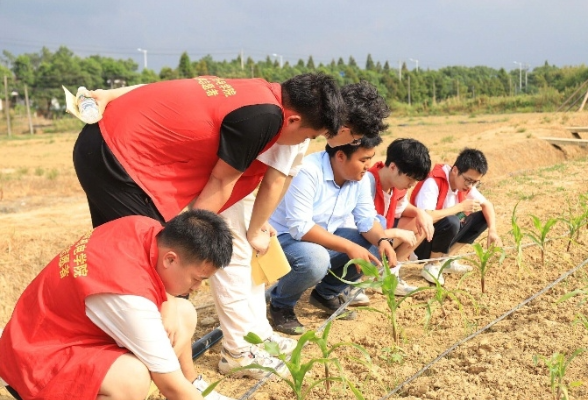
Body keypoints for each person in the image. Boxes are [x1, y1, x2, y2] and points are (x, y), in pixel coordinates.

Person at [210, 82, 390, 377]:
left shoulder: (309, 133)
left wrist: (259, 222)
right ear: (342, 124)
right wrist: (257, 227)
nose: (354, 141)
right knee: (235, 264)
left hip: (241, 192)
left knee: (248, 267)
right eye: (354, 135)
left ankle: (260, 335)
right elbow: (274, 180)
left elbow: (282, 179)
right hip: (229, 190)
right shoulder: (297, 129)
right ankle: (238, 351)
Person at [73, 73, 345, 256]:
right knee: (155, 258)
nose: (302, 142)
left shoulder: (254, 87)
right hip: (120, 161)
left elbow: (173, 87)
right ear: (294, 120)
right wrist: (188, 246)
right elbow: (220, 181)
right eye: (308, 137)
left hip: (99, 141)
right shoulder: (266, 118)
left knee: (115, 250)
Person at [0, 210, 236, 400]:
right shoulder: (128, 298)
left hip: (59, 333)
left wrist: (170, 302)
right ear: (170, 259)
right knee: (131, 379)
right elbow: (170, 387)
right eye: (196, 279)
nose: (196, 288)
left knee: (183, 313)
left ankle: (193, 384)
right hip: (33, 362)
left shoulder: (143, 226)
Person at [267, 135, 397, 335]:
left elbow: (366, 220)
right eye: (363, 160)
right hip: (285, 238)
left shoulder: (359, 180)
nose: (367, 166)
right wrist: (348, 246)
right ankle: (280, 305)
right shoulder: (308, 171)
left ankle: (326, 293)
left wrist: (383, 240)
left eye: (370, 159)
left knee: (373, 247)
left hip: (325, 236)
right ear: (340, 156)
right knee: (316, 260)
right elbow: (300, 227)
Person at [410, 148, 502, 285]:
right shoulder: (433, 182)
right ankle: (432, 265)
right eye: (469, 180)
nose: (470, 186)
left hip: (441, 237)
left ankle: (445, 260)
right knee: (452, 221)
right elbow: (426, 216)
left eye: (475, 182)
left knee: (482, 217)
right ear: (455, 171)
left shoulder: (464, 183)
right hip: (421, 244)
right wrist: (459, 208)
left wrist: (492, 230)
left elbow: (487, 205)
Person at [363, 138, 433, 296]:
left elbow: (402, 208)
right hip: (362, 240)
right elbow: (359, 229)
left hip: (380, 239)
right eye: (410, 178)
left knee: (420, 223)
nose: (412, 184)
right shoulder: (367, 183)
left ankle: (389, 275)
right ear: (393, 167)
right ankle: (351, 285)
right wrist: (396, 232)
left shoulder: (396, 186)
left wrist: (419, 213)